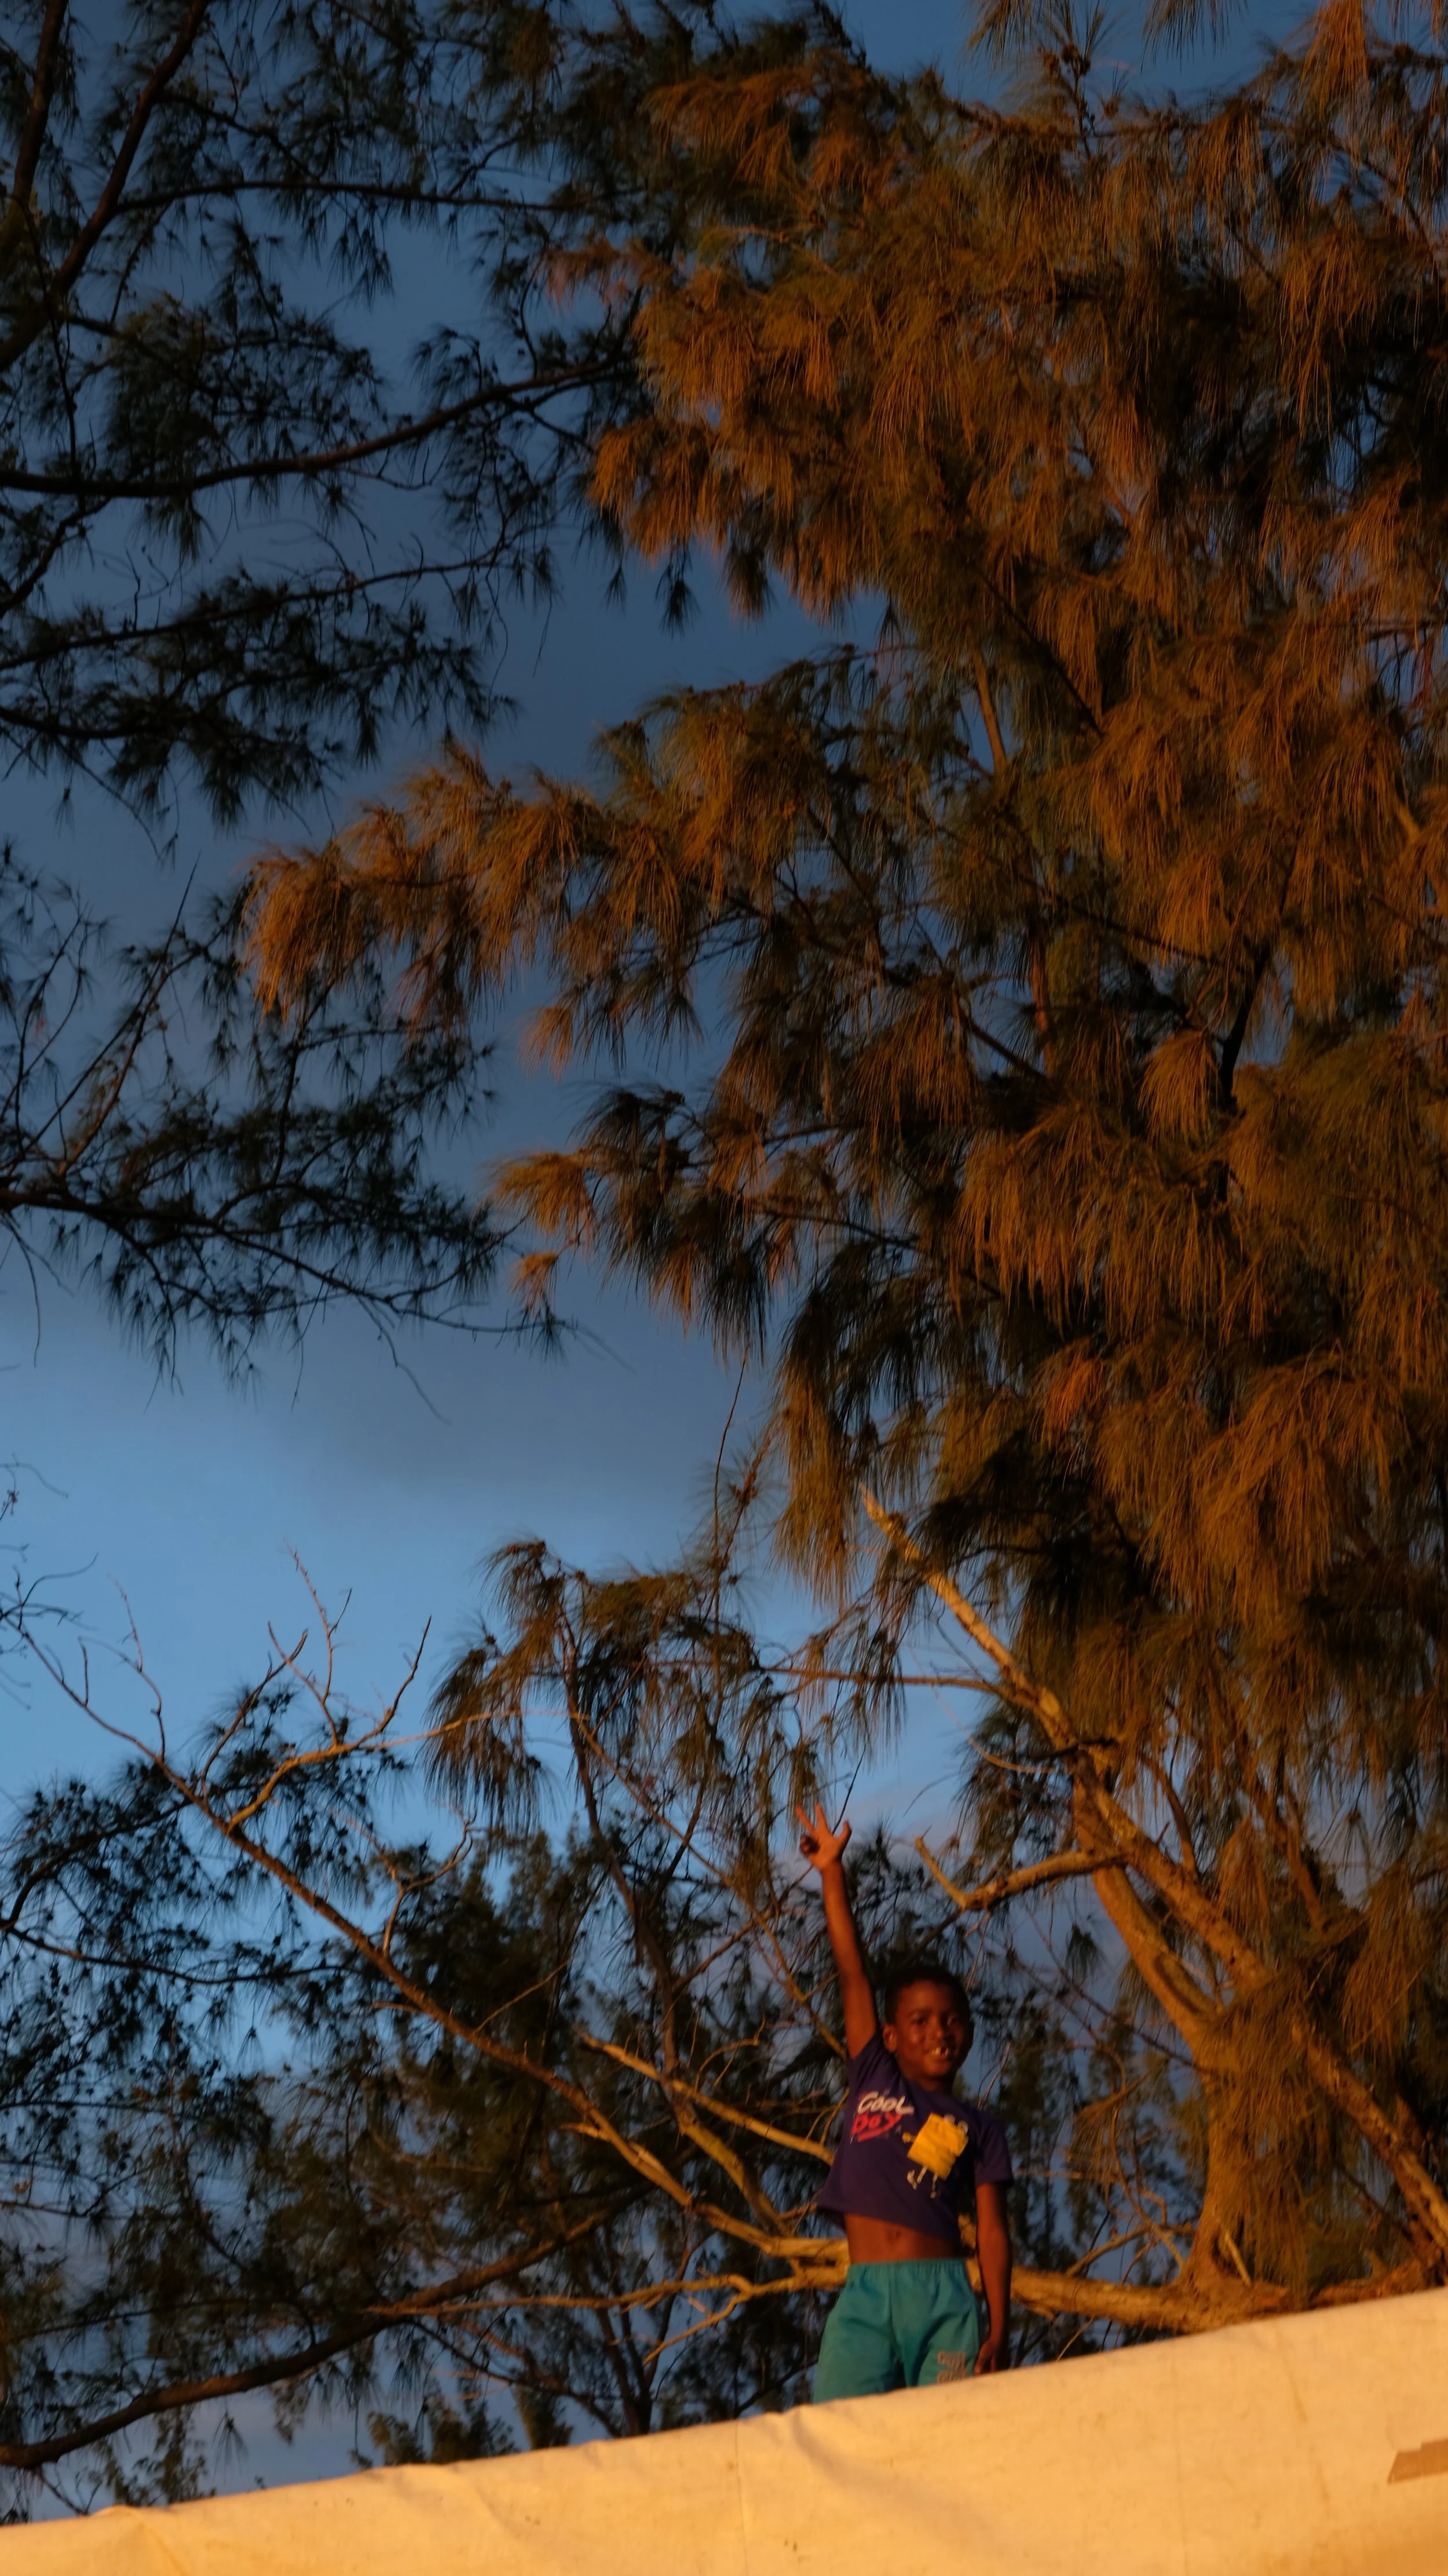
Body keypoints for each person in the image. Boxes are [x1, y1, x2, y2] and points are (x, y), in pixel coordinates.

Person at [798, 1803, 1013, 2401]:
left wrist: (1000, 2325)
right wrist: (831, 1872)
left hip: (944, 2299)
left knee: (946, 2435)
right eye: (920, 2021)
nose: (939, 2032)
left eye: (952, 2020)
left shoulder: (980, 2128)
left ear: (968, 2031)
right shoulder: (874, 2076)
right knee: (842, 2429)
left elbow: (992, 2233)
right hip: (865, 2296)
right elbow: (851, 1972)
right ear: (891, 2036)